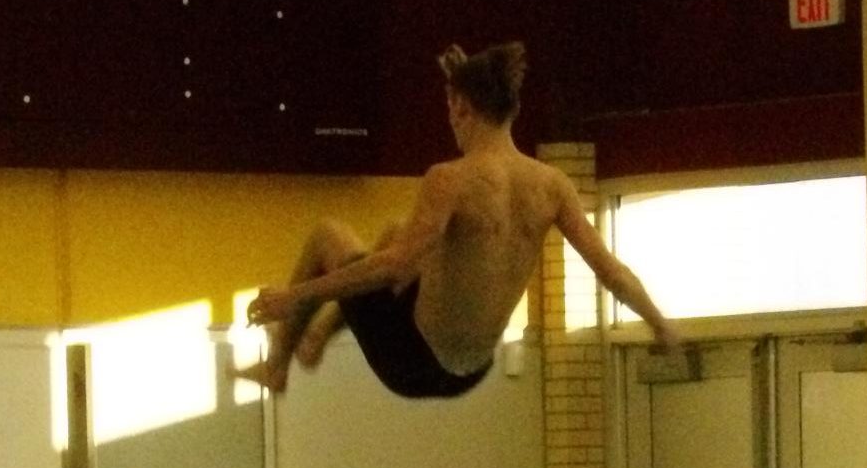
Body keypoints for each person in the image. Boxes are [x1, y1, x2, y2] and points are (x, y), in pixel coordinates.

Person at [244, 42, 679, 397]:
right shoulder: (552, 184)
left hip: (413, 363)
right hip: (473, 370)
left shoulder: (449, 179)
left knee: (330, 236)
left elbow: (394, 266)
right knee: (400, 232)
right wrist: (658, 323)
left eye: (453, 107)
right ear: (512, 110)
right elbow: (611, 272)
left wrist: (295, 296)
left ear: (460, 110)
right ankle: (319, 336)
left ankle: (277, 367)